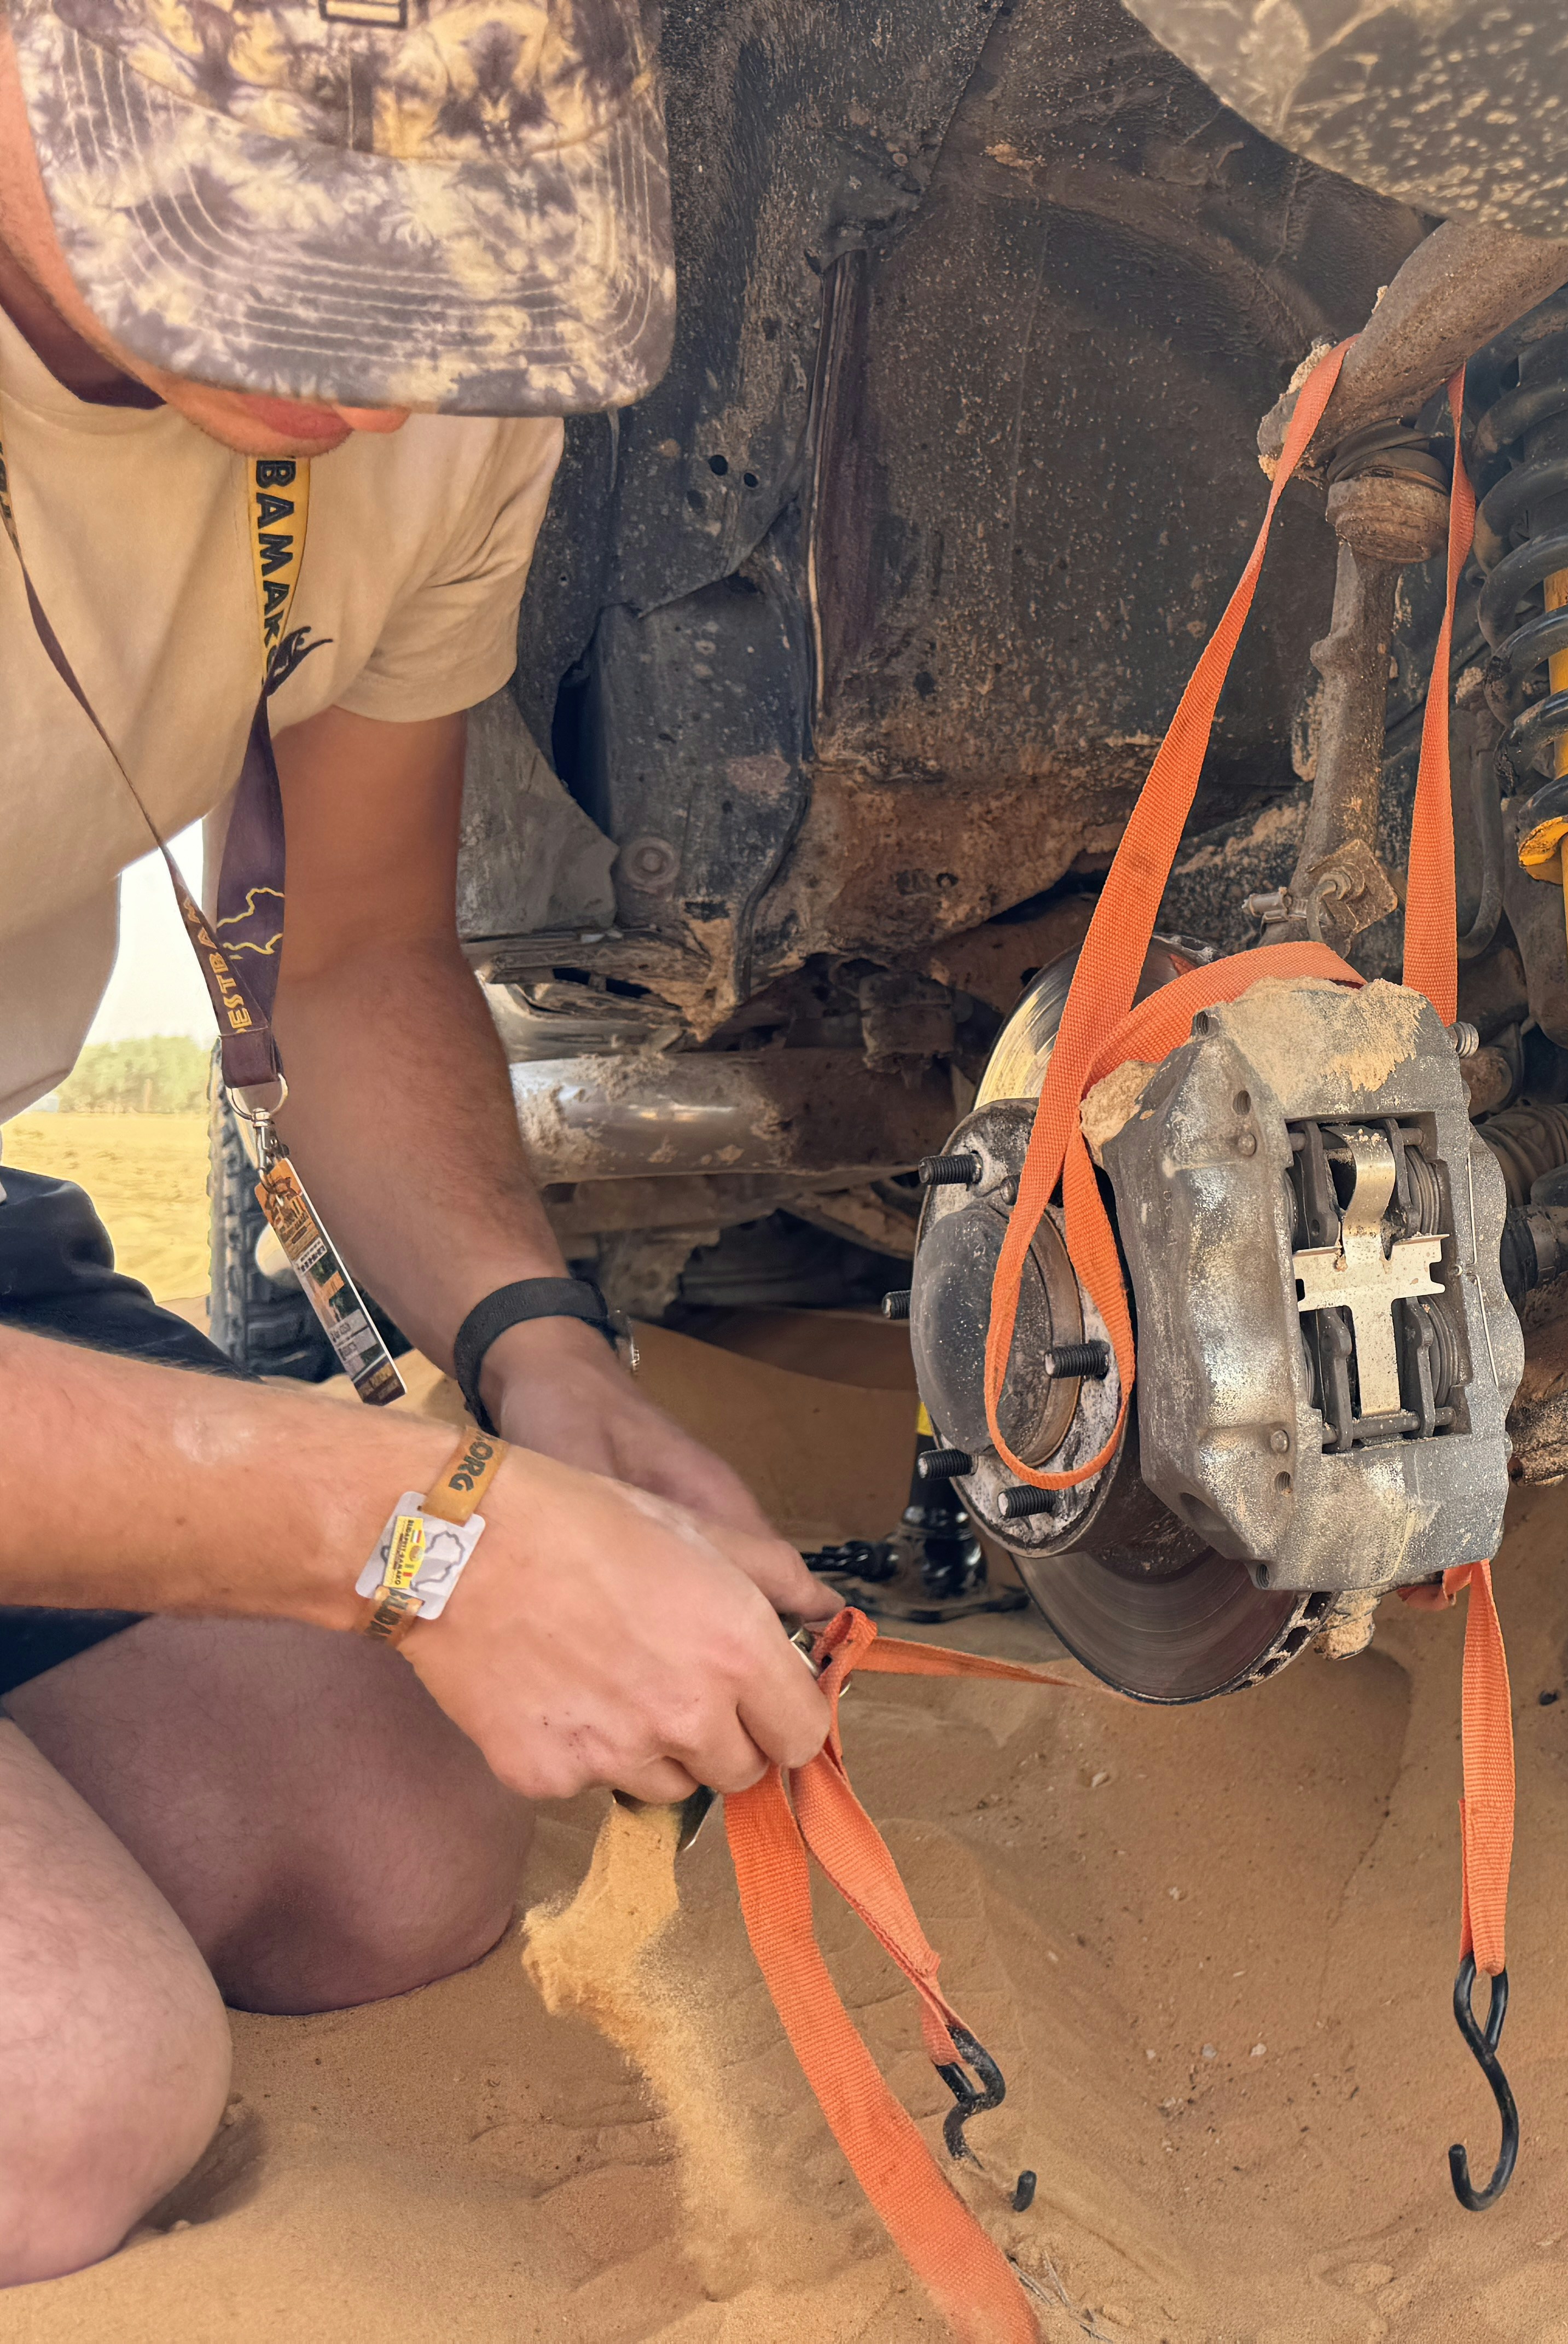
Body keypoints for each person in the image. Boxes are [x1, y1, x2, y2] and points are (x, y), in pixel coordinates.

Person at [0, 0, 837, 2285]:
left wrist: (540, 1357)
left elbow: (362, 951)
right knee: (70, 2099)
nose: (371, 374)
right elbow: (412, 1551)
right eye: (289, 257)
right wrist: (427, 1536)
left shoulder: (424, 398)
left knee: (394, 1856)